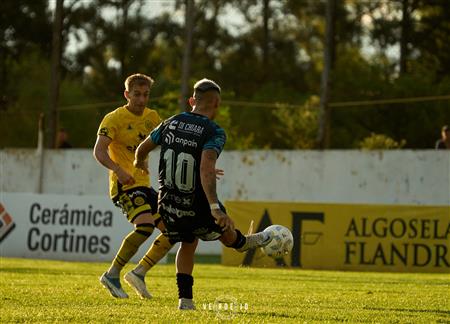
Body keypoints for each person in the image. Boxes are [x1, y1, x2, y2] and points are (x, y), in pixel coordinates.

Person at [134, 78, 274, 310]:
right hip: (197, 204)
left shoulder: (171, 122)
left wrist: (139, 162)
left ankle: (185, 301)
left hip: (167, 203)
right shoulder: (214, 131)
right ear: (217, 103)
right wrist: (215, 207)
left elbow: (142, 149)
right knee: (230, 239)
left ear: (192, 101)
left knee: (188, 243)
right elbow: (206, 167)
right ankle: (250, 241)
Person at [93, 73, 174, 299]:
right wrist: (118, 170)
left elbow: (171, 143)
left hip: (144, 185)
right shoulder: (114, 118)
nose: (141, 100)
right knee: (145, 227)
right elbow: (99, 151)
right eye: (136, 94)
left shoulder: (153, 117)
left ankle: (138, 273)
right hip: (124, 186)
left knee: (173, 232)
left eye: (145, 95)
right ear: (127, 94)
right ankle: (112, 274)